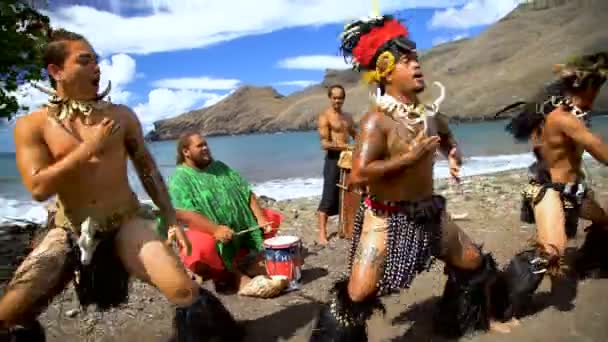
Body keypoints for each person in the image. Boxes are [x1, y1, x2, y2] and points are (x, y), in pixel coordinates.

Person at [0, 29, 242, 341]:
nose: (96, 68)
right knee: (8, 314)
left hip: (124, 221)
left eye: (97, 61)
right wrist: (90, 147)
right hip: (69, 229)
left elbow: (148, 169)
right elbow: (38, 188)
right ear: (56, 71)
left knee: (184, 290)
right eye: (85, 61)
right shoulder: (32, 125)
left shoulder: (122, 116)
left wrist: (169, 217)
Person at [310, 15, 507, 341]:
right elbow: (358, 175)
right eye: (407, 61)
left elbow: (445, 135)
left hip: (429, 211)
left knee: (473, 260)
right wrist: (409, 158)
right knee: (357, 294)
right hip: (386, 218)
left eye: (416, 59)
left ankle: (465, 321)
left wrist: (453, 153)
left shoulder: (429, 114)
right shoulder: (376, 122)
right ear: (386, 71)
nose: (417, 66)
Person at [493, 51, 608, 322]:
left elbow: (540, 145)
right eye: (599, 87)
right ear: (589, 86)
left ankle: (590, 264)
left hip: (575, 192)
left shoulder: (567, 114)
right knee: (551, 252)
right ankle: (499, 304)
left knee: (604, 222)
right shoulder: (563, 117)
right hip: (549, 191)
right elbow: (599, 149)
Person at [160, 132, 284, 297]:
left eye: (206, 144)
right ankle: (231, 275)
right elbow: (184, 213)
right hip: (212, 233)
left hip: (240, 230)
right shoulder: (179, 179)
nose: (205, 148)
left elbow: (245, 191)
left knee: (270, 218)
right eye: (200, 146)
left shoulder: (220, 167)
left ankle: (249, 261)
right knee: (198, 246)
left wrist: (261, 219)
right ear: (186, 152)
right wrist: (215, 229)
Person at [316, 84, 357, 245]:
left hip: (348, 159)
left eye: (340, 98)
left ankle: (346, 227)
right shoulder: (325, 116)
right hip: (333, 159)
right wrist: (347, 146)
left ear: (344, 99)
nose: (337, 101)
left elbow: (355, 134)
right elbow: (325, 144)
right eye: (334, 97)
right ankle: (321, 233)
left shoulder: (347, 117)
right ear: (330, 98)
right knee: (328, 195)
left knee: (347, 194)